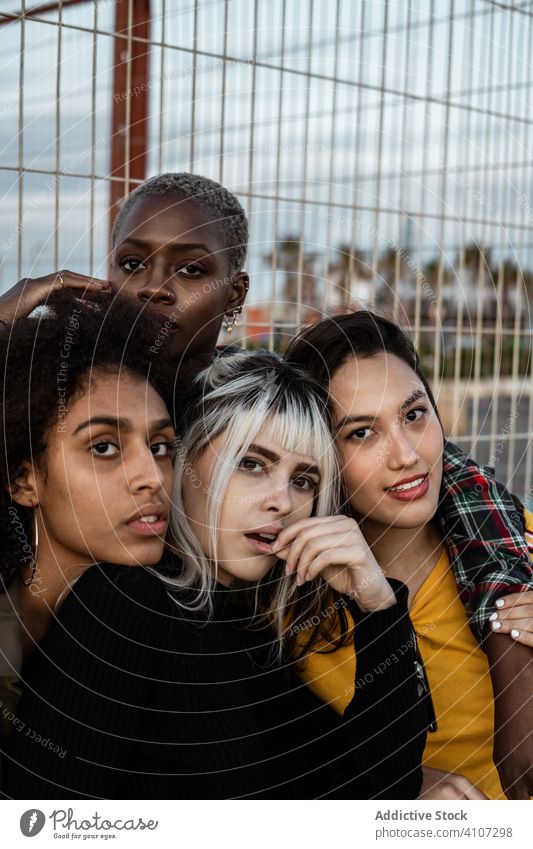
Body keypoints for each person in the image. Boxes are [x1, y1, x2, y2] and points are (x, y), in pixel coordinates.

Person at [1, 171, 531, 689]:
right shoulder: (61, 383)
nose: (155, 287)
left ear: (236, 295)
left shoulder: (250, 400)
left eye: (189, 271)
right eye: (133, 263)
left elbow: (445, 474)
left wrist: (507, 643)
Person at [2, 340, 432, 799]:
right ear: (182, 461)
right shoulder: (125, 602)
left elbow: (371, 797)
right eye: (251, 464)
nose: (281, 502)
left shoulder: (252, 631)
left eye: (303, 480)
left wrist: (378, 608)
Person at [285, 310, 533, 799]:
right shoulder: (289, 607)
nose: (406, 455)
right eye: (362, 432)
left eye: (414, 414)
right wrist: (396, 788)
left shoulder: (517, 545)